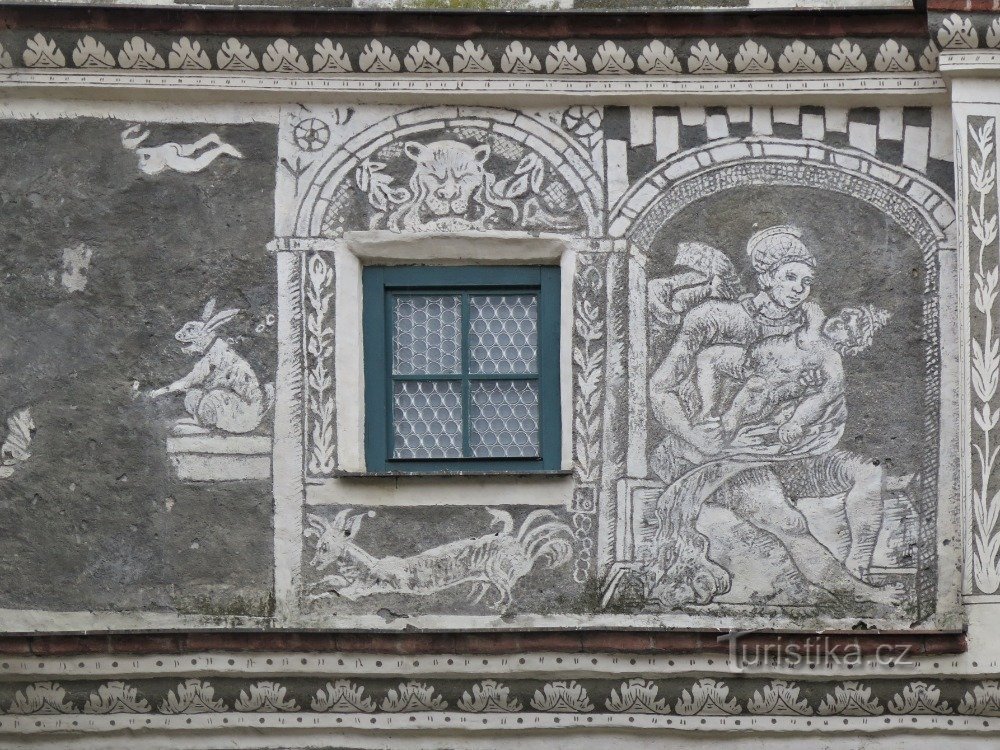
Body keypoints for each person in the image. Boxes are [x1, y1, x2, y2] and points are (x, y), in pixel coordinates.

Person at [644, 226, 897, 606]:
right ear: (765, 276)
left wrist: (798, 411)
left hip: (779, 452)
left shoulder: (812, 334)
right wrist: (699, 437)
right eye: (790, 277)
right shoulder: (715, 316)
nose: (799, 289)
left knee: (868, 470)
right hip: (706, 454)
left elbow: (823, 396)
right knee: (788, 520)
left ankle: (859, 565)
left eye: (806, 282)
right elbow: (660, 389)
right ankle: (854, 593)